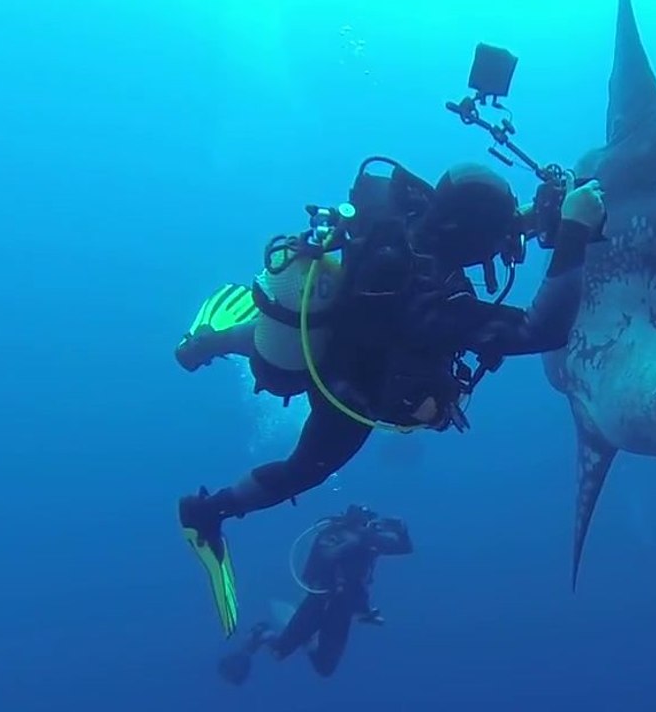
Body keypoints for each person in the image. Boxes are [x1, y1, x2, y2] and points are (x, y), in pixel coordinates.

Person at [176, 157, 607, 636]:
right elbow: (543, 328)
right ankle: (205, 514)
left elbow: (471, 222)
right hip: (349, 387)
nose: (502, 242)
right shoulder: (435, 305)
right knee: (303, 471)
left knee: (280, 335)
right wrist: (574, 232)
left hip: (333, 325)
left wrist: (537, 213)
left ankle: (204, 344)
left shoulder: (407, 222)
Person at [217, 504, 413, 684]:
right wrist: (352, 542)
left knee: (325, 668)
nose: (368, 526)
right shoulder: (333, 534)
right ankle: (264, 634)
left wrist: (401, 530)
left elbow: (404, 548)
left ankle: (308, 641)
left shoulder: (368, 540)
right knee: (278, 652)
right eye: (363, 522)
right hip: (319, 601)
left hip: (343, 609)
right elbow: (327, 556)